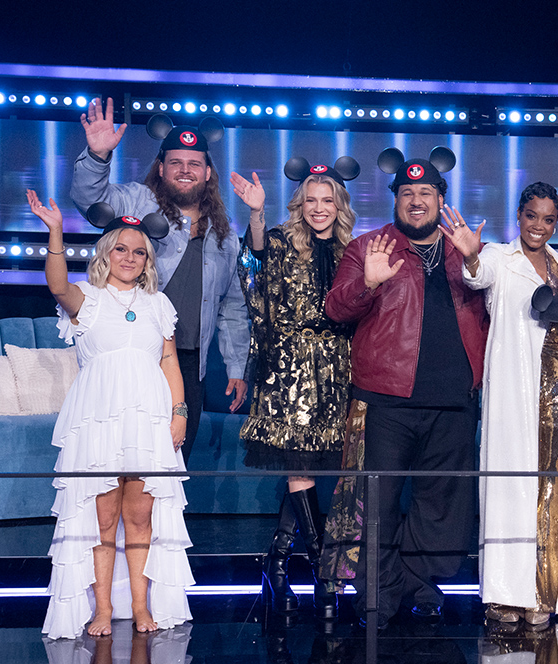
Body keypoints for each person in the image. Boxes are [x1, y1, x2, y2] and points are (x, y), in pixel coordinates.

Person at [324, 148, 489, 628]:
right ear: (394, 199)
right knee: (379, 500)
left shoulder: (467, 250)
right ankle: (377, 592)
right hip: (386, 397)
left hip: (454, 400)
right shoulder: (368, 247)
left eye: (426, 193)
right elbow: (336, 309)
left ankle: (421, 583)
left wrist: (475, 261)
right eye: (408, 193)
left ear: (441, 199)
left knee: (440, 503)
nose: (417, 201)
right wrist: (368, 285)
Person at [28, 190, 193, 640]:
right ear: (106, 252)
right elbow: (57, 286)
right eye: (121, 248)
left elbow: (170, 363)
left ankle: (140, 606)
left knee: (141, 519)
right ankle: (102, 609)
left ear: (147, 261)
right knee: (102, 520)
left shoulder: (159, 305)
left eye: (139, 252)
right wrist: (57, 232)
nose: (130, 257)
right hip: (98, 422)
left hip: (149, 421)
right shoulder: (88, 298)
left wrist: (179, 414)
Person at [448, 182, 558, 626]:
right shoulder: (499, 257)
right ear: (518, 215)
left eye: (548, 219)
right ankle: (506, 592)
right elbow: (476, 276)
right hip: (517, 391)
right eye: (531, 216)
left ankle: (549, 593)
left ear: (556, 222)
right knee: (512, 487)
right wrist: (471, 255)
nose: (539, 226)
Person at [70, 98, 249, 464]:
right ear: (162, 168)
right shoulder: (137, 200)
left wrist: (235, 368)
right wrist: (97, 156)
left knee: (171, 460)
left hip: (187, 364)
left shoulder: (224, 236)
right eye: (176, 163)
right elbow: (90, 200)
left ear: (208, 173)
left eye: (194, 164)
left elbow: (232, 307)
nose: (185, 170)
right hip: (134, 352)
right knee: (120, 458)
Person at [231, 158, 359, 620]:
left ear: (339, 205)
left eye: (328, 201)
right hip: (290, 367)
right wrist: (257, 216)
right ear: (300, 205)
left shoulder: (352, 248)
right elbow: (252, 268)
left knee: (312, 466)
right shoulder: (283, 240)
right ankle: (323, 566)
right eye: (311, 201)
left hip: (337, 368)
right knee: (299, 464)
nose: (319, 209)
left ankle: (277, 562)